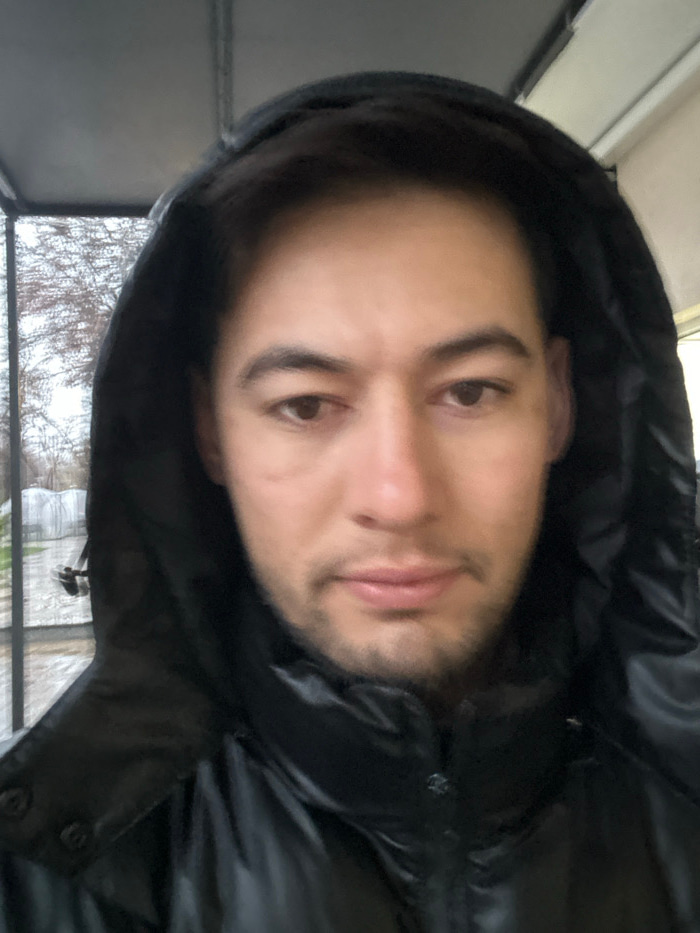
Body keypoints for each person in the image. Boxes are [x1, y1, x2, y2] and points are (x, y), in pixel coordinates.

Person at [0, 71, 698, 932]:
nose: (399, 497)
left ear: (558, 401)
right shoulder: (44, 871)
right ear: (208, 429)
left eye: (471, 391)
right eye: (305, 405)